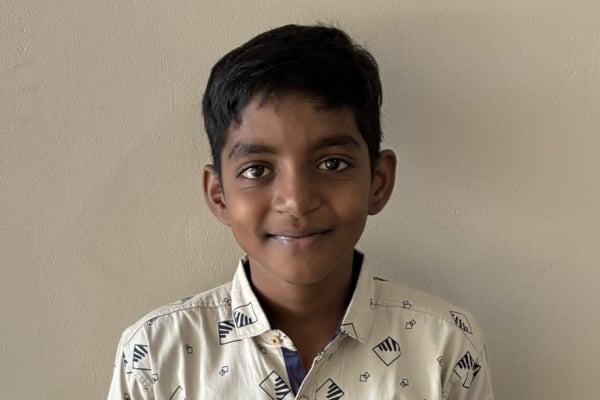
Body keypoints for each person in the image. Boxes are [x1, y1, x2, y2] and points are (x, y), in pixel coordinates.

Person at [107, 24, 494, 399]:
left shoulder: (443, 344)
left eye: (332, 164)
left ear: (378, 182)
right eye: (256, 170)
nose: (295, 200)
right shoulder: (157, 354)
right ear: (219, 195)